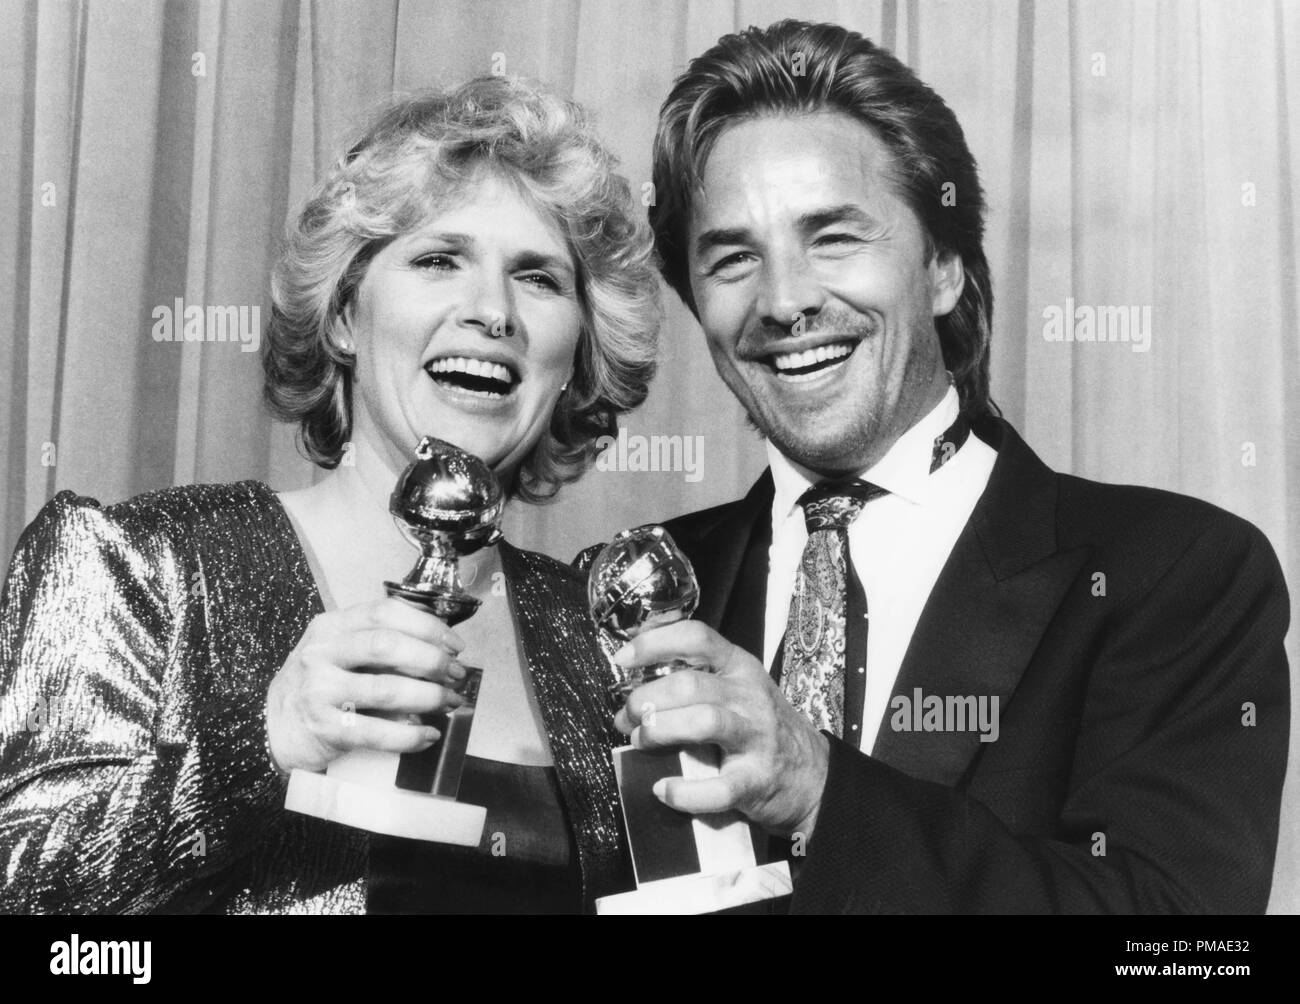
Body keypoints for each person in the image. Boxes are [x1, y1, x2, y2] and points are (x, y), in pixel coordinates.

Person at [602, 19, 1290, 913]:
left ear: (945, 268)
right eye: (733, 258)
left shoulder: (1176, 572)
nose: (784, 301)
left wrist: (822, 792)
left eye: (835, 238)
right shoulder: (631, 589)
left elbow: (1180, 949)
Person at [0, 76, 659, 914]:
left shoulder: (601, 640)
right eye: (437, 260)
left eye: (538, 279)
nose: (492, 311)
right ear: (345, 317)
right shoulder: (142, 567)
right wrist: (255, 749)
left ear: (577, 357)